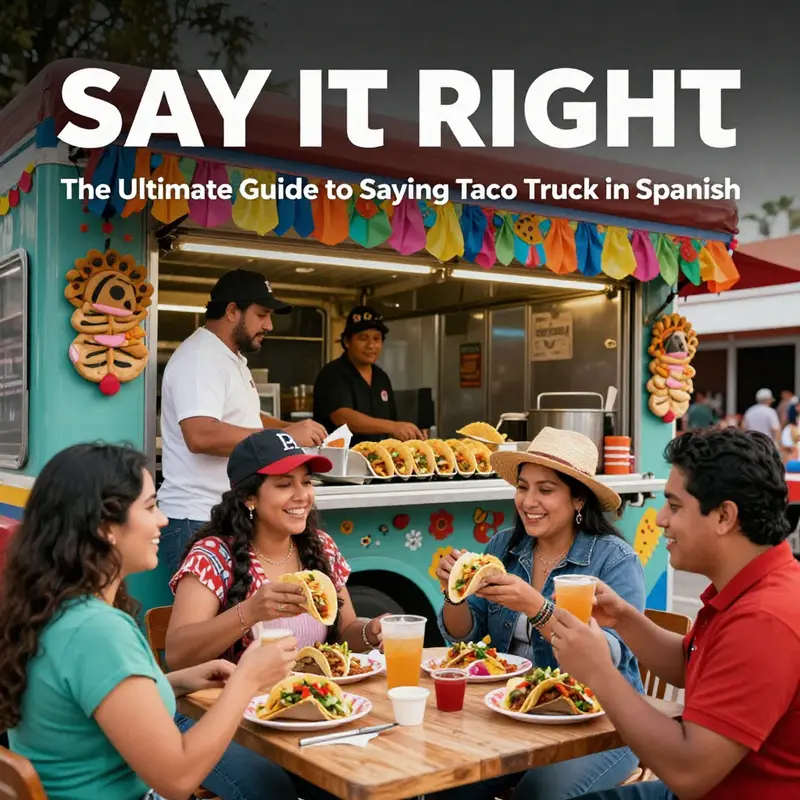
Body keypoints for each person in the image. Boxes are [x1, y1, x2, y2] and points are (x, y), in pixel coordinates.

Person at [0, 443, 300, 800]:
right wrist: (247, 680)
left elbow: (88, 702)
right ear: (105, 527)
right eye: (149, 507)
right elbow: (178, 779)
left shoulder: (53, 610)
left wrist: (173, 682)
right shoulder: (97, 632)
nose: (162, 520)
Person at [552, 428, 800, 800]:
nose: (661, 519)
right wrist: (622, 618)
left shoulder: (764, 619)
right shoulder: (754, 585)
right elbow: (690, 666)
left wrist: (598, 672)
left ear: (724, 516)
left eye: (675, 505)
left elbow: (688, 772)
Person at [432, 427, 646, 799]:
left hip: (605, 722)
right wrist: (455, 594)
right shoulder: (504, 545)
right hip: (515, 710)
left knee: (539, 793)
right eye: (523, 487)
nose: (529, 501)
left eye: (545, 490)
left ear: (578, 499)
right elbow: (466, 637)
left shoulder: (615, 559)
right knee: (444, 778)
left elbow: (609, 655)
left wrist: (536, 606)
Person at [166, 428, 389, 667]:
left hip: (314, 689)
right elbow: (177, 656)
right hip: (241, 690)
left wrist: (370, 631)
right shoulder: (213, 556)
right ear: (249, 497)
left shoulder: (322, 546)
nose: (302, 495)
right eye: (284, 484)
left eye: (306, 482)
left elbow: (345, 630)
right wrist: (250, 612)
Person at [158, 268, 327, 575]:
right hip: (197, 518)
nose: (269, 325)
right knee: (208, 607)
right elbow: (200, 434)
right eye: (262, 315)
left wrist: (290, 431)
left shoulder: (229, 357)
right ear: (232, 311)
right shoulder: (200, 358)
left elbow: (247, 418)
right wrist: (288, 437)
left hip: (223, 514)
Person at [313, 305, 423, 445]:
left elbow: (391, 421)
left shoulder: (381, 377)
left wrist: (408, 433)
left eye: (376, 339)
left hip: (378, 456)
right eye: (363, 338)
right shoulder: (333, 373)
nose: (371, 345)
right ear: (347, 342)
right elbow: (342, 417)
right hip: (339, 457)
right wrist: (392, 426)